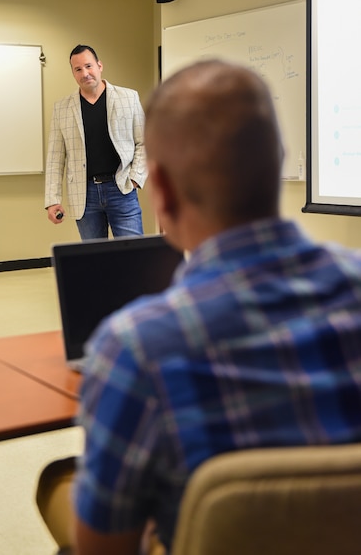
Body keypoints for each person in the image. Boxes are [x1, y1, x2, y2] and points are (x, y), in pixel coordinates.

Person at [36, 59, 361, 554]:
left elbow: (106, 549)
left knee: (59, 483)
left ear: (160, 190)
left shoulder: (135, 350)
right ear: (279, 163)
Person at [44, 44, 147, 239]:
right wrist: (52, 200)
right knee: (95, 260)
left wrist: (135, 179)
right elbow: (55, 158)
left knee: (133, 258)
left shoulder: (128, 98)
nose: (85, 73)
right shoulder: (62, 109)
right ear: (73, 73)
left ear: (100, 66)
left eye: (89, 66)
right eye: (78, 69)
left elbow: (145, 142)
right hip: (85, 195)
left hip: (122, 188)